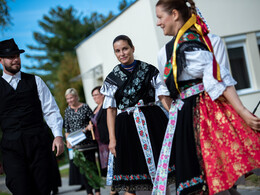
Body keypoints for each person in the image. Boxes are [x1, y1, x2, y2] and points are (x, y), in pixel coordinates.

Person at [155, 0, 260, 195]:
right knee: (196, 176)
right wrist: (174, 119)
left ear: (175, 14)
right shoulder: (164, 53)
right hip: (183, 116)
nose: (158, 23)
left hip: (207, 113)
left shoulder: (208, 41)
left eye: (160, 17)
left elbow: (219, 81)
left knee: (215, 173)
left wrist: (243, 112)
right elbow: (164, 91)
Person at [100, 35, 172, 195]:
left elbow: (162, 96)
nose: (122, 53)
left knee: (161, 172)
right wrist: (112, 139)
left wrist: (175, 117)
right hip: (127, 128)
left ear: (132, 48)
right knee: (130, 178)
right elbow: (110, 110)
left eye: (125, 48)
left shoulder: (149, 70)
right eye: (117, 51)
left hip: (153, 122)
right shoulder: (112, 79)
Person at [0, 38, 64, 195]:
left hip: (38, 143)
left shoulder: (35, 81)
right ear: (1, 60)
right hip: (11, 147)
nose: (16, 59)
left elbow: (51, 110)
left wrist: (58, 136)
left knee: (43, 189)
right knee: (20, 188)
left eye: (17, 55)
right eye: (11, 57)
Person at [64, 88, 100, 195]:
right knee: (84, 169)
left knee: (92, 167)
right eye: (67, 99)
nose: (69, 100)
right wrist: (68, 141)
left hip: (88, 142)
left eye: (71, 97)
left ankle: (97, 191)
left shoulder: (84, 107)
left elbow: (92, 120)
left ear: (76, 97)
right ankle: (89, 192)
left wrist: (89, 126)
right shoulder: (67, 111)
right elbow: (67, 128)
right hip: (77, 144)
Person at [86, 86, 109, 176]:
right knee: (104, 165)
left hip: (106, 139)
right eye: (93, 96)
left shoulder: (106, 106)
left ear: (102, 95)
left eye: (96, 95)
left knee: (110, 163)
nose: (94, 97)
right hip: (99, 142)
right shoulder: (95, 109)